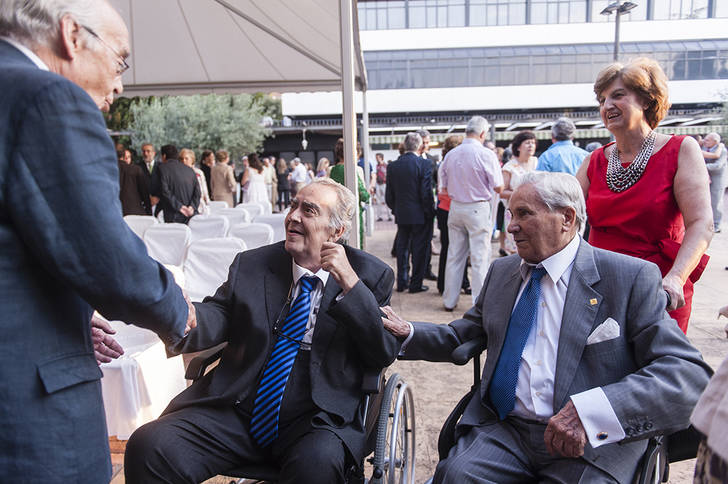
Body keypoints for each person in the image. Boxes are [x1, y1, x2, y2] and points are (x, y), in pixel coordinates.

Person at [381, 172, 712, 484]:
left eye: (524, 214)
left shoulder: (627, 278)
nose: (511, 227)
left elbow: (687, 374)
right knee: (456, 475)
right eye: (510, 215)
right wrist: (407, 330)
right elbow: (463, 334)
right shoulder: (503, 273)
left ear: (567, 218)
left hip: (590, 444)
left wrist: (592, 412)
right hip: (506, 431)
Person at [0, 1, 194, 481]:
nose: (120, 83)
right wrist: (180, 314)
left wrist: (52, 309)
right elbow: (107, 259)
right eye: (120, 60)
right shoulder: (48, 98)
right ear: (71, 34)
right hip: (25, 406)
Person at [125, 179, 399, 484]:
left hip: (317, 417)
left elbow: (381, 352)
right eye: (293, 205)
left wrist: (350, 284)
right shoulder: (253, 264)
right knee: (149, 445)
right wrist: (178, 314)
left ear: (336, 232)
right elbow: (220, 314)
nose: (293, 216)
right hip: (240, 403)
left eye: (308, 210)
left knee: (317, 466)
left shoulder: (370, 276)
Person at [575, 57, 713, 334]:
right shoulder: (594, 160)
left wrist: (676, 277)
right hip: (600, 287)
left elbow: (702, 224)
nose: (607, 106)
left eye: (618, 95)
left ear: (647, 101)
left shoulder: (681, 149)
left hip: (658, 288)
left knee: (655, 373)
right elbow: (563, 215)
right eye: (602, 100)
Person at [438, 116, 503, 311]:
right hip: (477, 207)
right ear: (483, 134)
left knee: (454, 255)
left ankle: (449, 300)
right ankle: (478, 302)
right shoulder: (486, 154)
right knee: (480, 256)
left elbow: (442, 188)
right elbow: (498, 186)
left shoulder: (451, 155)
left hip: (456, 207)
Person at [386, 132, 434, 293]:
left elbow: (389, 194)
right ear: (420, 146)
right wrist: (429, 212)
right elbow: (425, 192)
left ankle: (402, 282)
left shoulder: (393, 166)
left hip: (402, 213)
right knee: (419, 250)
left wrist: (395, 209)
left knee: (402, 248)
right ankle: (415, 284)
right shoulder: (424, 164)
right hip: (420, 214)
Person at [435, 135, 470, 296]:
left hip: (443, 209)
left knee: (447, 248)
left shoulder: (443, 164)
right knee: (459, 249)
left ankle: (444, 283)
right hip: (453, 207)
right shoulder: (456, 164)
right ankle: (461, 282)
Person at [500, 130, 538, 254]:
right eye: (527, 143)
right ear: (518, 147)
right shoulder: (509, 167)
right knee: (517, 247)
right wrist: (521, 193)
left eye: (533, 143)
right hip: (515, 213)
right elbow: (501, 191)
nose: (531, 146)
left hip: (536, 211)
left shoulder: (537, 162)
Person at [330, 138, 371, 247]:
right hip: (354, 213)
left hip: (337, 212)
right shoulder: (356, 169)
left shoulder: (331, 170)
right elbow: (364, 195)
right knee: (356, 244)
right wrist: (368, 194)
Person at [156, 144, 200, 224]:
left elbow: (164, 191)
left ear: (164, 156)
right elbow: (197, 192)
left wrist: (180, 207)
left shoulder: (161, 169)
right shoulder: (190, 170)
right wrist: (192, 207)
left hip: (173, 216)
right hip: (191, 215)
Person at [702, 132, 727, 233]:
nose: (705, 141)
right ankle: (707, 223)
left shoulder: (723, 151)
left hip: (718, 178)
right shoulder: (703, 148)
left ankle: (716, 225)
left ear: (715, 142)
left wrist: (701, 167)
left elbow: (718, 166)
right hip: (706, 178)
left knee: (716, 201)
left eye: (708, 140)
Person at [118, 148, 151, 216]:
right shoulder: (136, 169)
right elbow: (144, 193)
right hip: (135, 211)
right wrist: (148, 210)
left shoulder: (108, 172)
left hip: (117, 211)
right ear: (124, 157)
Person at [180, 148, 210, 214]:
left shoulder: (198, 173)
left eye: (186, 158)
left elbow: (204, 189)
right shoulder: (178, 174)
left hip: (199, 205)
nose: (183, 161)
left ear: (192, 159)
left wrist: (207, 202)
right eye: (181, 159)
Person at [373, 153, 391, 222]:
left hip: (384, 184)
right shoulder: (377, 166)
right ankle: (379, 216)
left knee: (386, 200)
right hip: (378, 184)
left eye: (378, 157)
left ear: (381, 158)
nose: (376, 159)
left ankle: (389, 215)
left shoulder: (386, 166)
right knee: (378, 201)